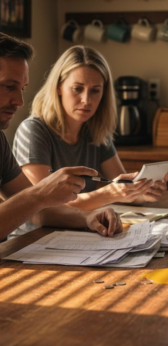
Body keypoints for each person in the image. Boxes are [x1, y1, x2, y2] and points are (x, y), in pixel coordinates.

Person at [13, 45, 168, 214]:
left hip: (81, 230)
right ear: (58, 87)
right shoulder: (32, 131)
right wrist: (109, 193)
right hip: (37, 236)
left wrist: (142, 192)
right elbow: (46, 206)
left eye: (95, 91)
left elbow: (124, 192)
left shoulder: (96, 131)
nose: (86, 100)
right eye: (77, 89)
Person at [0, 32, 122, 240]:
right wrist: (40, 195)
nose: (20, 101)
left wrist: (87, 217)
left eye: (22, 89)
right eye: (9, 87)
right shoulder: (34, 129)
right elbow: (35, 201)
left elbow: (38, 211)